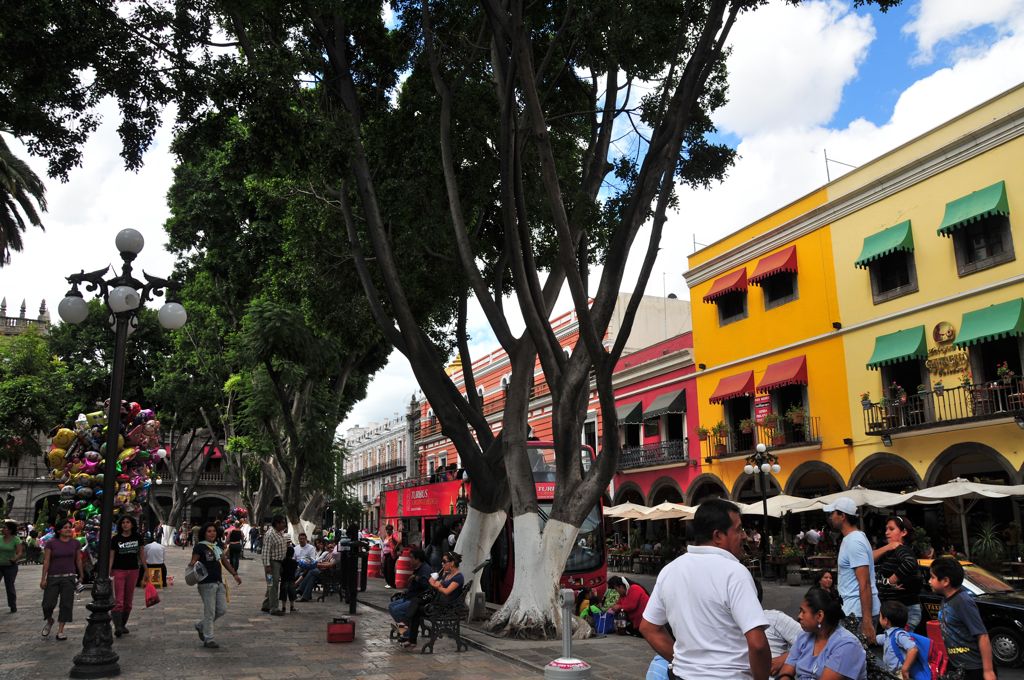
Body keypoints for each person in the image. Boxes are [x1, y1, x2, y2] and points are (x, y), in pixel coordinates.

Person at [640, 498, 771, 680]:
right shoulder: (734, 572)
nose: (744, 536)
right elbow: (758, 644)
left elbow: (648, 627)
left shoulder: (670, 570)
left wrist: (686, 664)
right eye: (739, 529)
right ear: (718, 536)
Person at [930, 556, 996, 680]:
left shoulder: (963, 601)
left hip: (974, 668)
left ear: (945, 581)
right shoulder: (946, 599)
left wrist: (988, 671)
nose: (929, 581)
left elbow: (982, 635)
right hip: (958, 666)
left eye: (932, 577)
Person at [777, 587, 867, 680]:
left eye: (803, 612)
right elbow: (785, 673)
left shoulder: (847, 645)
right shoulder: (803, 637)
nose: (799, 616)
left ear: (819, 616)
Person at [824, 497, 878, 640]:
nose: (831, 517)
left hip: (857, 614)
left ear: (842, 516)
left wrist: (867, 621)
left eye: (833, 513)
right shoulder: (852, 539)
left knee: (857, 653)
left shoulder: (854, 541)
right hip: (853, 611)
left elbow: (864, 583)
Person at [189, 522, 241, 648]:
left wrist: (234, 574)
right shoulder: (200, 547)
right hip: (206, 583)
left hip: (219, 581)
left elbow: (224, 561)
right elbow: (193, 562)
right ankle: (209, 638)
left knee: (222, 609)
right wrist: (193, 565)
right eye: (209, 531)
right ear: (204, 533)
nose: (212, 533)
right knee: (210, 611)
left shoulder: (217, 545)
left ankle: (201, 626)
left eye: (214, 531)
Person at [401, 550, 464, 649]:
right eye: (442, 561)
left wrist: (437, 586)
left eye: (444, 561)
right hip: (438, 602)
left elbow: (447, 591)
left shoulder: (458, 577)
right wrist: (436, 584)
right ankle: (410, 638)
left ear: (452, 563)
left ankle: (405, 625)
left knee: (416, 605)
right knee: (416, 604)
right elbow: (437, 584)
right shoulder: (447, 574)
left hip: (445, 607)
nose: (442, 564)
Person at [873, 515, 922, 630]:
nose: (886, 532)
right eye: (886, 529)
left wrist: (891, 580)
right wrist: (888, 547)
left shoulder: (902, 549)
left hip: (903, 612)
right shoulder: (891, 550)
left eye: (891, 529)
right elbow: (869, 558)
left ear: (903, 532)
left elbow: (910, 562)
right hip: (896, 612)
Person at [40, 520, 84, 640]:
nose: (68, 529)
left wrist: (81, 574)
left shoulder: (75, 543)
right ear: (59, 530)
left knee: (66, 604)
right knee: (47, 604)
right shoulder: (51, 543)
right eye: (65, 527)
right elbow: (46, 561)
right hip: (53, 577)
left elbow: (78, 560)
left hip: (69, 577)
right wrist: (43, 578)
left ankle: (60, 631)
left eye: (70, 527)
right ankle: (50, 620)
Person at [111, 515, 147, 637]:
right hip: (118, 570)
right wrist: (108, 571)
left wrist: (146, 570)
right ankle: (117, 627)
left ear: (132, 524)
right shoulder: (115, 539)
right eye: (123, 522)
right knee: (119, 601)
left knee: (128, 601)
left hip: (133, 570)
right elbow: (111, 556)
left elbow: (142, 555)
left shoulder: (138, 537)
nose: (125, 524)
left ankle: (122, 625)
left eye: (128, 522)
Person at [387, 548, 431, 638]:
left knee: (396, 610)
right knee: (391, 606)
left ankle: (407, 632)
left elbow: (426, 585)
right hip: (410, 596)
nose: (409, 560)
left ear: (417, 559)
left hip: (418, 599)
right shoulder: (417, 568)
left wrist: (416, 578)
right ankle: (406, 629)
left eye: (411, 558)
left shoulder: (425, 569)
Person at [876, 601, 920, 680]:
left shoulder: (899, 635)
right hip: (892, 673)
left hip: (900, 674)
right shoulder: (888, 635)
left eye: (880, 616)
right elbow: (877, 639)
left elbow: (913, 649)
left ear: (886, 620)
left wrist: (905, 669)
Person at [260, 515, 288, 615]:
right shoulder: (270, 534)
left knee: (271, 584)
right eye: (283, 522)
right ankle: (274, 608)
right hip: (272, 563)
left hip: (279, 563)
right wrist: (267, 565)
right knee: (273, 585)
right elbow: (265, 551)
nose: (284, 524)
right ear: (277, 523)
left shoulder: (280, 533)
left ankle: (266, 605)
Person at [1, 519, 24, 613]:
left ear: (10, 530)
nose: (2, 529)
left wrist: (15, 558)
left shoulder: (16, 539)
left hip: (10, 566)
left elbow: (20, 552)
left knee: (9, 586)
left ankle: (12, 605)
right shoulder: (0, 538)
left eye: (4, 528)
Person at [279, 545, 298, 613]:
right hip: (291, 580)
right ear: (293, 554)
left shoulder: (283, 561)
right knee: (292, 594)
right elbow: (296, 570)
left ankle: (283, 607)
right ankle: (292, 606)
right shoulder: (294, 562)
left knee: (283, 593)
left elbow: (281, 570)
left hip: (284, 580)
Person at [382, 524, 399, 589]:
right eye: (387, 530)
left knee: (390, 570)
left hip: (391, 555)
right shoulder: (387, 537)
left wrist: (395, 548)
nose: (388, 531)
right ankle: (389, 582)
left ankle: (392, 584)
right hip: (386, 555)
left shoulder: (393, 536)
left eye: (389, 530)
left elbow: (399, 541)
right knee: (385, 570)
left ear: (391, 530)